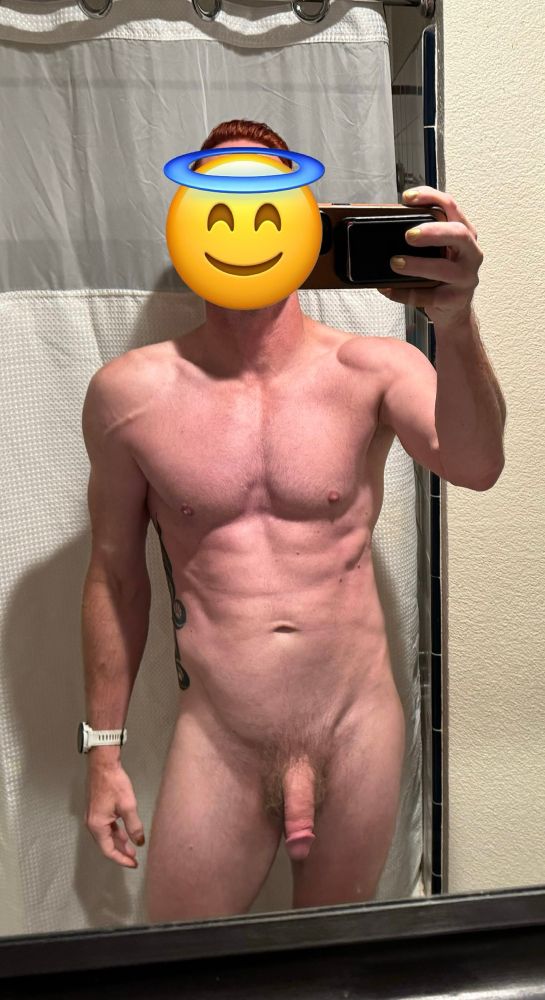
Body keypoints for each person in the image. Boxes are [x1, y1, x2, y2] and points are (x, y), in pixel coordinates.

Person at [81, 119, 506, 922]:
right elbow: (114, 576)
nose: (243, 227)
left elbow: (477, 465)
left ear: (303, 224)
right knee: (183, 966)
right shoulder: (129, 395)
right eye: (218, 206)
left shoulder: (373, 368)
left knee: (335, 971)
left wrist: (455, 323)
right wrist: (102, 752)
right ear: (188, 224)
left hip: (355, 730)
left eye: (267, 206)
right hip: (219, 741)